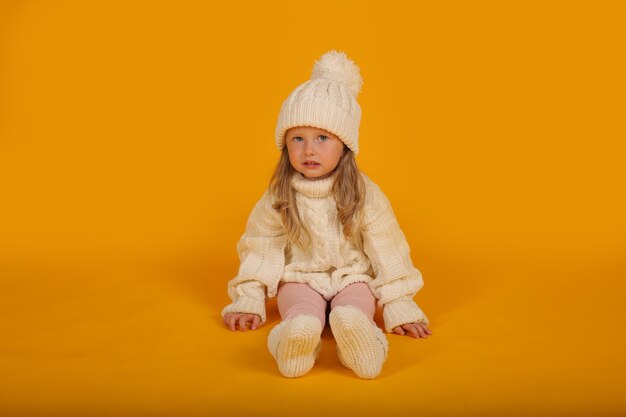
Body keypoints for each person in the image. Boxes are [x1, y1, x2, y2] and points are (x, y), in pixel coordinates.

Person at [221, 50, 432, 379]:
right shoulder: (280, 194)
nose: (308, 150)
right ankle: (294, 341)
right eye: (297, 139)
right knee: (302, 309)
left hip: (352, 277)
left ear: (344, 145)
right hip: (301, 277)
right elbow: (261, 245)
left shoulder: (365, 194)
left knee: (353, 307)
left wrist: (399, 304)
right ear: (285, 146)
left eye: (322, 138)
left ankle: (363, 343)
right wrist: (249, 299)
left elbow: (388, 249)